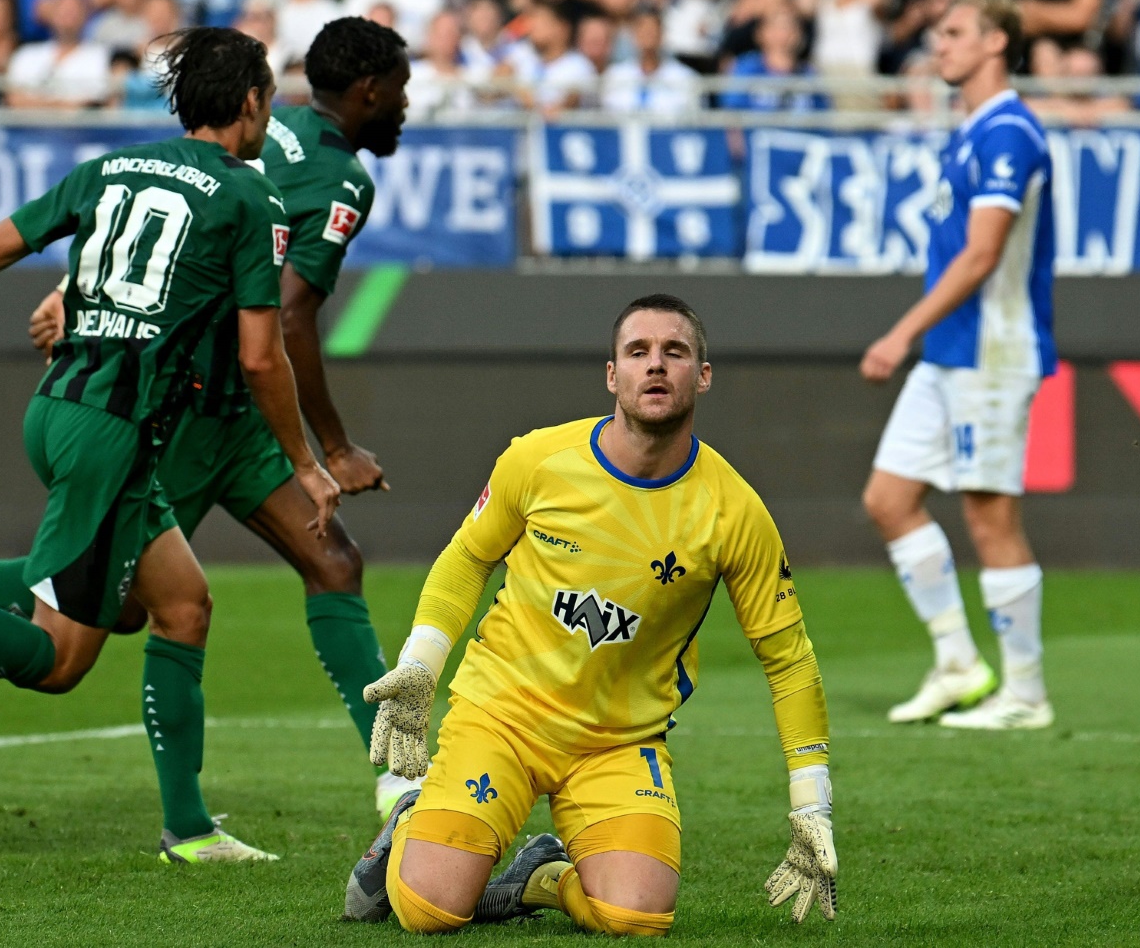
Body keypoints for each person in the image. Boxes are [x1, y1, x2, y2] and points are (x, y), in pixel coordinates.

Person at [0, 27, 337, 865]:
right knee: (58, 661)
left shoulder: (110, 169)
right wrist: (305, 462)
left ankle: (188, 830)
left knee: (184, 607)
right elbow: (261, 355)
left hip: (61, 407)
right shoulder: (249, 199)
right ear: (253, 102)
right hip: (112, 435)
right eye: (269, 97)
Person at [0, 16, 417, 820]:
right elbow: (287, 321)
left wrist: (77, 293)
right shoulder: (338, 181)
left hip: (232, 417)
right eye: (402, 89)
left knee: (332, 562)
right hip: (171, 410)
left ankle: (397, 775)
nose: (407, 105)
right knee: (104, 616)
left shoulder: (274, 140)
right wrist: (328, 449)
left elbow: (161, 223)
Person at [345, 294, 838, 934]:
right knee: (431, 909)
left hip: (618, 741)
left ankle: (539, 880)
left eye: (675, 352)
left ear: (703, 375)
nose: (655, 366)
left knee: (636, 916)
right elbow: (467, 558)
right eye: (638, 352)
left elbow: (789, 661)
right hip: (502, 717)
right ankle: (413, 815)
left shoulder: (734, 512)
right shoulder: (537, 460)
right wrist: (420, 666)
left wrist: (812, 805)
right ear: (613, 375)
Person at [859, 0, 1057, 731]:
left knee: (988, 515)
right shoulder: (970, 133)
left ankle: (1026, 694)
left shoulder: (1008, 134)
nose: (937, 45)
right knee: (888, 499)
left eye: (953, 33)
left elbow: (982, 255)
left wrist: (897, 332)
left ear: (995, 43)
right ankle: (957, 662)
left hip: (992, 351)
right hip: (952, 352)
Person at [5, 0, 112, 107]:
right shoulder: (26, 54)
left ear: (86, 15)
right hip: (28, 125)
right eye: (62, 9)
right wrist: (60, 106)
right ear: (51, 14)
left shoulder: (100, 56)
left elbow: (90, 104)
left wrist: (37, 104)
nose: (67, 16)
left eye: (73, 10)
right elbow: (14, 100)